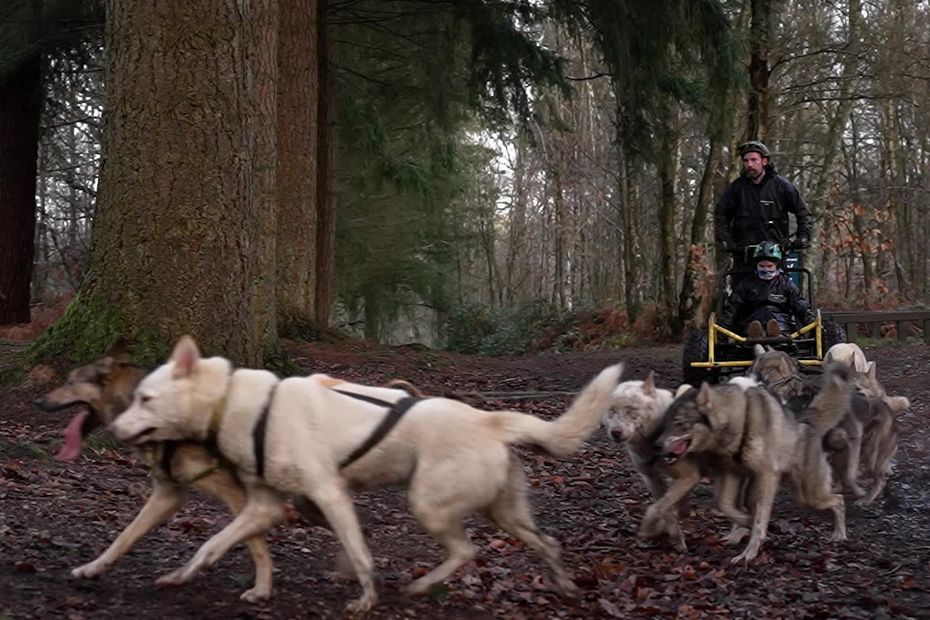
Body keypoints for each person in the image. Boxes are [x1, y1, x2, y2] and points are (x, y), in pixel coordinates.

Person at [714, 141, 813, 271]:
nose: (749, 164)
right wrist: (726, 240)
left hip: (775, 257)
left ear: (764, 161)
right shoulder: (736, 189)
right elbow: (721, 215)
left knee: (781, 290)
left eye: (754, 160)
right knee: (741, 291)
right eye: (746, 160)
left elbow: (803, 213)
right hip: (744, 259)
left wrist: (802, 237)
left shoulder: (782, 187)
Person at [719, 242, 816, 338]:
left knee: (775, 325)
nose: (766, 270)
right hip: (753, 321)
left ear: (776, 266)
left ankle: (775, 335)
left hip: (781, 324)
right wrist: (721, 329)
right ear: (756, 266)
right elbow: (732, 307)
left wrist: (813, 325)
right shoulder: (746, 284)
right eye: (762, 266)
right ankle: (758, 334)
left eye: (769, 266)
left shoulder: (786, 284)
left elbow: (801, 307)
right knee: (755, 324)